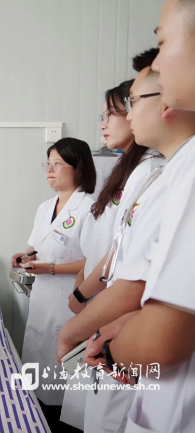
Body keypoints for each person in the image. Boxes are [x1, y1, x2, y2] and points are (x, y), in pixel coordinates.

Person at [57, 48, 195, 433]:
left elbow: (143, 289)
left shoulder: (166, 173)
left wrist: (103, 341)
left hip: (140, 347)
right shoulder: (159, 172)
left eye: (129, 103)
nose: (127, 115)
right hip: (125, 329)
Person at [59, 78, 161, 430]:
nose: (105, 123)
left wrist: (79, 303)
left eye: (112, 113)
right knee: (96, 408)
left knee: (109, 413)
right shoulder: (128, 171)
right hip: (106, 303)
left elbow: (128, 266)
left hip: (121, 310)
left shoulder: (151, 171)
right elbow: (112, 247)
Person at [10, 137, 95, 428]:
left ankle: (59, 423)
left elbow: (96, 261)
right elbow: (35, 248)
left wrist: (52, 268)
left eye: (57, 164)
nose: (49, 169)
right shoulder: (45, 207)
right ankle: (33, 417)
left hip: (71, 300)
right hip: (42, 297)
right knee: (37, 361)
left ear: (78, 167)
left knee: (63, 372)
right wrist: (24, 257)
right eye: (47, 163)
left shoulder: (90, 209)